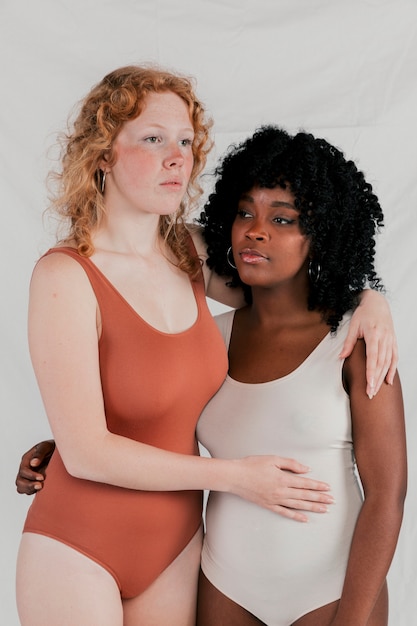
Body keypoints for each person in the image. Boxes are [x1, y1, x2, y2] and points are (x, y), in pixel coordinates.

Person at [15, 65, 398, 625]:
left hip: (177, 549)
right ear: (102, 154)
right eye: (153, 139)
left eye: (186, 141)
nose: (177, 156)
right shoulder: (65, 275)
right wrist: (238, 476)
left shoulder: (189, 255)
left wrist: (369, 300)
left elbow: (287, 288)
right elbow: (90, 451)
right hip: (82, 540)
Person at [195, 125, 407, 625]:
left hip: (330, 592)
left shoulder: (357, 339)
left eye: (283, 219)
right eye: (245, 212)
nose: (256, 230)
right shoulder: (204, 339)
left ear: (322, 235)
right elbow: (151, 427)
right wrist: (68, 447)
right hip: (224, 584)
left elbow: (387, 495)